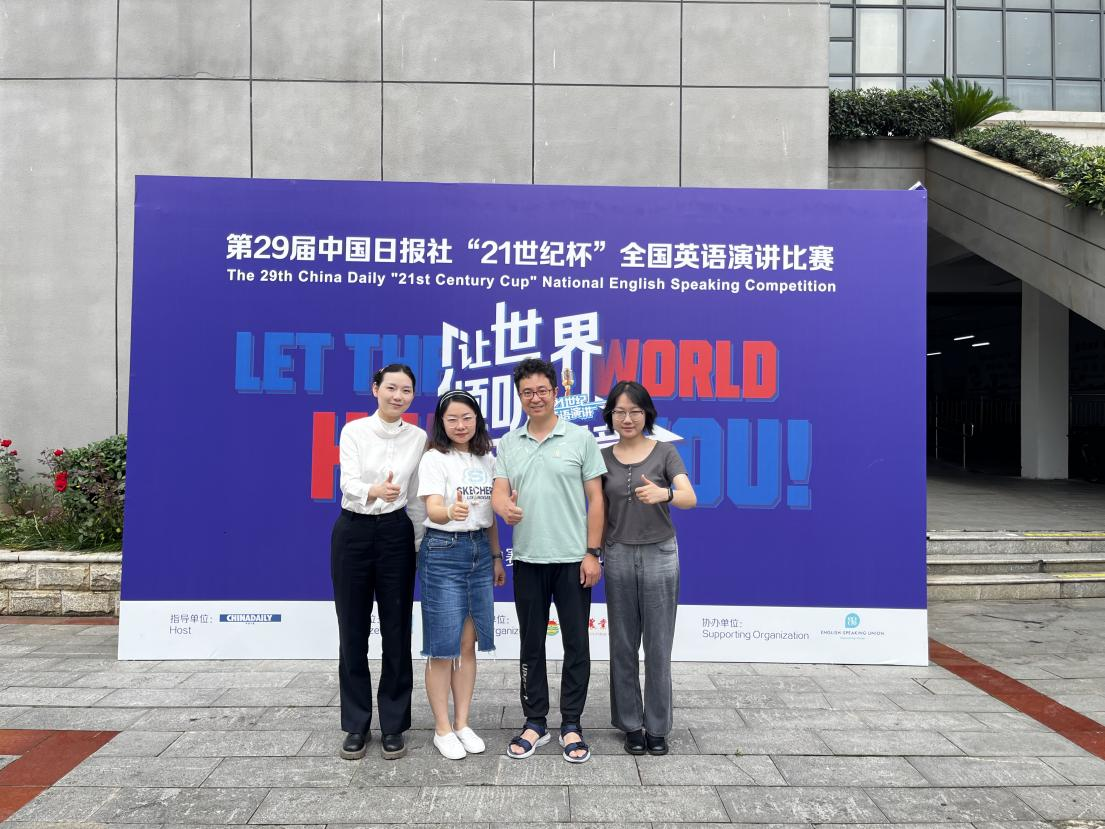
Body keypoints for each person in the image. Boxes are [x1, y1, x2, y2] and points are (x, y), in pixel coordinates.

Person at [491, 357, 606, 763]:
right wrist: (504, 508)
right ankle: (535, 721)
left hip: (574, 560)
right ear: (519, 396)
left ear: (556, 392)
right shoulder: (509, 443)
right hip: (528, 559)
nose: (535, 397)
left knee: (577, 644)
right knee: (530, 644)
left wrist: (593, 553)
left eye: (542, 390)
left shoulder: (580, 439)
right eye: (527, 392)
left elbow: (596, 499)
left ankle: (571, 723)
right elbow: (499, 491)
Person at [331, 363, 426, 761]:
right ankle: (356, 724)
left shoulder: (418, 437)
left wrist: (416, 545)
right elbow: (348, 483)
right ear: (375, 389)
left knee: (397, 630)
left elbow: (416, 496)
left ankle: (393, 725)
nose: (398, 396)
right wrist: (374, 490)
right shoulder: (354, 431)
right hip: (353, 531)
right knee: (352, 631)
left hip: (396, 534)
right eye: (391, 388)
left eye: (406, 390)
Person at [601, 380, 696, 757]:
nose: (627, 419)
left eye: (635, 412)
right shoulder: (601, 457)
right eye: (620, 412)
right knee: (622, 644)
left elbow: (690, 497)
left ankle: (657, 727)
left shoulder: (665, 452)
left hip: (660, 554)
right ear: (610, 415)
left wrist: (665, 493)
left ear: (647, 414)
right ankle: (630, 724)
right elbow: (592, 507)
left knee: (657, 645)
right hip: (618, 554)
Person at [416, 389, 506, 760]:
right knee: (443, 649)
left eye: (467, 418)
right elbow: (433, 508)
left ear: (477, 420)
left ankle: (462, 723)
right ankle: (442, 728)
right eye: (452, 419)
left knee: (468, 646)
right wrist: (448, 513)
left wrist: (497, 556)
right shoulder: (434, 458)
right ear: (441, 423)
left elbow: (490, 516)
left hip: (480, 552)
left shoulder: (488, 458)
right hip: (443, 550)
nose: (460, 425)